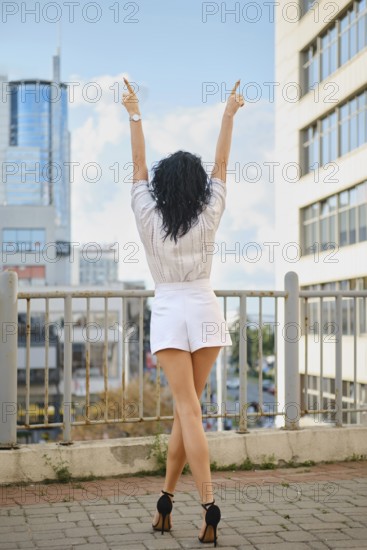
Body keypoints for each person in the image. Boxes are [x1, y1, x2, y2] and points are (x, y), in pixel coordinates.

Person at [122, 76, 245, 546]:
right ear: (195, 186)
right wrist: (228, 115)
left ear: (161, 185)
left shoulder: (147, 216)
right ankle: (164, 504)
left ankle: (210, 506)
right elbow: (221, 164)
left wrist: (134, 113)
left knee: (188, 412)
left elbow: (136, 164)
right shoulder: (210, 210)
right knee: (187, 413)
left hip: (171, 314)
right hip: (207, 312)